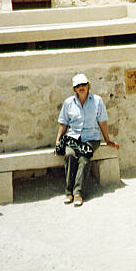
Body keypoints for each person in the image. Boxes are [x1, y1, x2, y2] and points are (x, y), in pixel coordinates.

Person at [55, 73, 120, 207]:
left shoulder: (97, 101)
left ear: (88, 85)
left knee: (84, 157)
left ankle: (78, 193)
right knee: (70, 155)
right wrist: (58, 140)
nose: (81, 87)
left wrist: (108, 140)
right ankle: (68, 192)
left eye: (83, 84)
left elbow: (102, 122)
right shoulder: (68, 103)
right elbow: (63, 123)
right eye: (78, 86)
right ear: (74, 89)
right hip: (73, 137)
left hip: (91, 137)